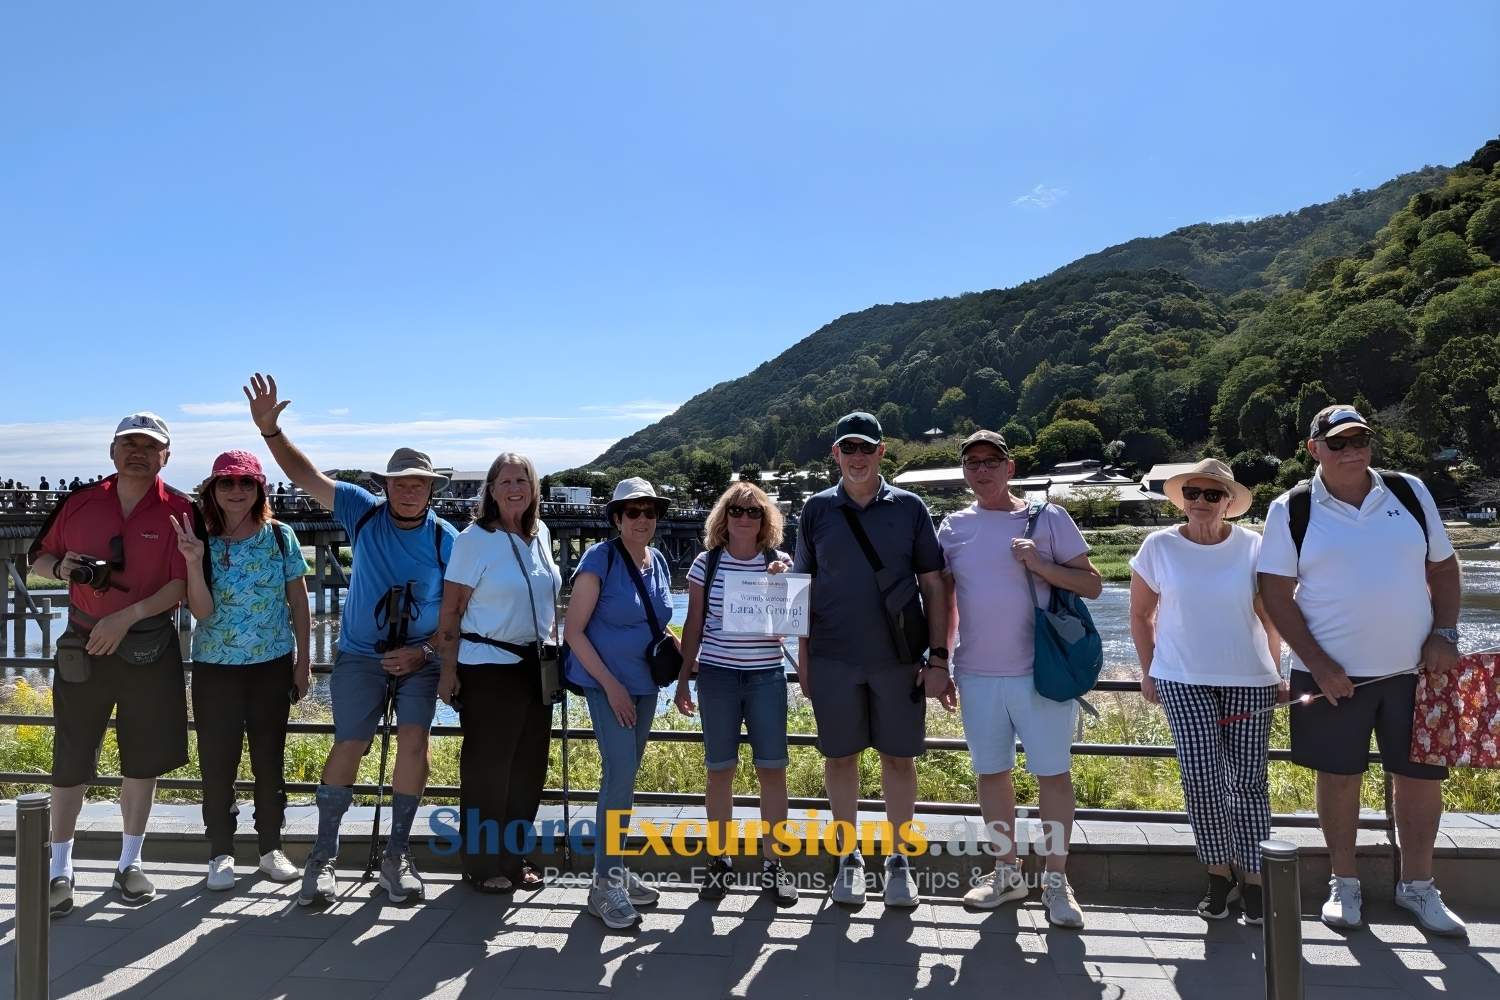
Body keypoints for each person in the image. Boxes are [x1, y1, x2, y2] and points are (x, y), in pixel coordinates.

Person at [245, 373, 457, 906]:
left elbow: (460, 610)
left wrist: (425, 653)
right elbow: (306, 475)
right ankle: (323, 856)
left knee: (415, 742)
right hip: (361, 654)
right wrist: (270, 431)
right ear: (384, 486)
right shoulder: (363, 511)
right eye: (400, 482)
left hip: (421, 657)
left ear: (432, 489)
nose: (409, 490)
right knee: (350, 742)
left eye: (419, 483)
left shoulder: (445, 538)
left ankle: (397, 855)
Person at [1258, 405, 1466, 936]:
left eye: (1360, 440)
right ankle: (1344, 882)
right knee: (1338, 777)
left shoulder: (1408, 491)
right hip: (1329, 678)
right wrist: (1319, 664)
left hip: (1418, 672)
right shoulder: (1292, 508)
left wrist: (1445, 633)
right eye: (1338, 442)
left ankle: (1418, 886)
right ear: (1314, 449)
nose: (1352, 450)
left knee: (1420, 779)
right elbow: (1275, 593)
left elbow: (1443, 567)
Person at [29, 412, 195, 917]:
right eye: (129, 444)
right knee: (71, 757)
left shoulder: (181, 509)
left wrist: (125, 617)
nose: (137, 453)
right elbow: (38, 558)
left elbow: (181, 584)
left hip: (148, 645)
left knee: (143, 760)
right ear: (112, 451)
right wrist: (62, 568)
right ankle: (60, 869)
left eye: (149, 446)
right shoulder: (79, 502)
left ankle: (130, 863)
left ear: (166, 456)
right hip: (82, 642)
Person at [938, 430, 1099, 929]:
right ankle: (1006, 873)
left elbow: (1092, 584)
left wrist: (1041, 564)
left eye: (991, 461)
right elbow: (943, 601)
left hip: (1041, 672)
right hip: (976, 672)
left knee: (1053, 774)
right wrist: (940, 661)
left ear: (1010, 467)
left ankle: (1056, 880)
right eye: (972, 462)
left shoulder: (1048, 517)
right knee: (992, 774)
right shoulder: (952, 528)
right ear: (964, 471)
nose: (982, 470)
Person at [792, 411, 951, 907]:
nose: (857, 457)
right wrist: (803, 660)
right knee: (840, 758)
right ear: (835, 454)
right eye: (849, 448)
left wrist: (939, 658)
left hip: (898, 660)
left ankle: (899, 860)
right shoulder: (816, 509)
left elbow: (933, 584)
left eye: (866, 447)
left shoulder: (910, 507)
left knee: (898, 760)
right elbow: (802, 586)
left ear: (882, 452)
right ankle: (848, 858)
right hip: (833, 658)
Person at [1128, 458, 1282, 925]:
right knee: (1201, 780)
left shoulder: (1254, 546)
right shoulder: (1159, 546)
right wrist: (1148, 670)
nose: (1200, 501)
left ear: (1229, 502)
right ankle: (1218, 874)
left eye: (1212, 494)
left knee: (1249, 782)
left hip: (1250, 679)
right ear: (1181, 500)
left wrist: (1277, 671)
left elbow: (1270, 616)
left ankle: (1254, 878)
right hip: (1181, 678)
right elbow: (1141, 615)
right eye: (1192, 493)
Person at [170, 450, 311, 891]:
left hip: (272, 665)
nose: (236, 491)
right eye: (227, 483)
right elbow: (202, 612)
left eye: (246, 482)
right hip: (215, 668)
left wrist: (303, 662)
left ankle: (271, 848)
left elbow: (299, 602)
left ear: (259, 490)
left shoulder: (280, 536)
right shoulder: (200, 540)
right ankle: (220, 853)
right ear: (212, 489)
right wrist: (192, 561)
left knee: (270, 760)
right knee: (217, 763)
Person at [436, 453, 561, 893]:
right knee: (488, 771)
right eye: (505, 481)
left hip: (536, 666)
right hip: (488, 666)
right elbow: (451, 610)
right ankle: (481, 863)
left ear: (534, 488)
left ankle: (513, 857)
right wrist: (447, 671)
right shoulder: (474, 540)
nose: (514, 489)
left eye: (522, 480)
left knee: (528, 768)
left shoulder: (541, 533)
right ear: (490, 490)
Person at [673, 481, 797, 905]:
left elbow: (788, 625)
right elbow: (693, 624)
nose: (745, 518)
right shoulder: (705, 563)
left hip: (766, 677)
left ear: (766, 519)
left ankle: (774, 863)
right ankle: (720, 859)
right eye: (737, 510)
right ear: (723, 517)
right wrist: (683, 677)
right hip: (717, 676)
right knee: (719, 771)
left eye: (754, 511)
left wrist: (781, 586)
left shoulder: (779, 562)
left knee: (773, 770)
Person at [563, 477, 675, 929]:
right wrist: (610, 685)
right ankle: (604, 883)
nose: (642, 519)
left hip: (645, 684)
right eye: (632, 511)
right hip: (609, 685)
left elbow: (659, 622)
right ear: (616, 518)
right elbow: (573, 631)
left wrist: (679, 659)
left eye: (650, 511)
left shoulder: (658, 561)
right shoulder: (600, 559)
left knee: (625, 777)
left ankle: (616, 868)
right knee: (619, 774)